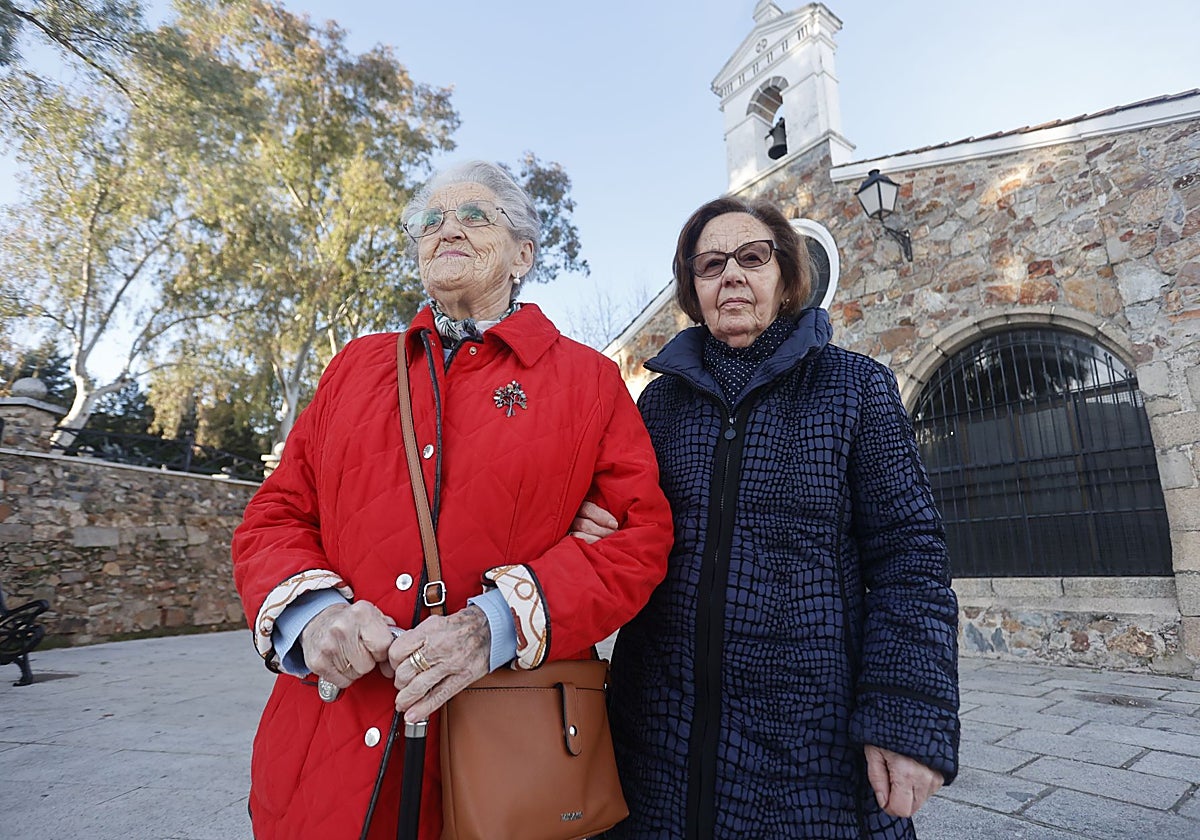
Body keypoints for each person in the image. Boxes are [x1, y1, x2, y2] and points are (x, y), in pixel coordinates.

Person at [232, 160, 673, 840]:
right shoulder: (356, 368)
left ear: (523, 253)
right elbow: (276, 513)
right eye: (429, 220)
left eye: (474, 215)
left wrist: (491, 625)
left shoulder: (587, 381)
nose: (447, 230)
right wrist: (314, 619)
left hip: (501, 762)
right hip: (327, 750)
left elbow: (637, 538)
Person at [574, 196, 959, 838]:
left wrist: (905, 712)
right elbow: (627, 525)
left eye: (752, 257)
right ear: (693, 288)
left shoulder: (854, 387)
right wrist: (600, 529)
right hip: (656, 740)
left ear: (784, 279)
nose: (731, 274)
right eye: (709, 263)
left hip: (810, 748)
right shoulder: (658, 406)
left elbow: (910, 556)